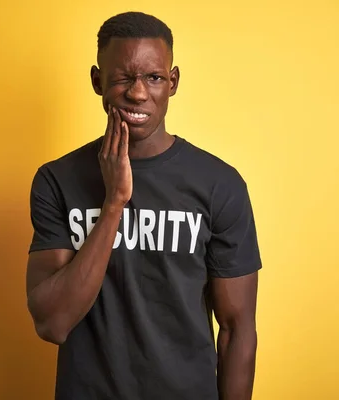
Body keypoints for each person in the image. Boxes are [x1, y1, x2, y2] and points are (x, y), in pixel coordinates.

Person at [25, 11, 262, 400]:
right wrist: (114, 202)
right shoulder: (57, 181)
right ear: (97, 81)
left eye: (153, 78)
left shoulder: (219, 184)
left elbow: (237, 329)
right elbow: (53, 323)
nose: (138, 93)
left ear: (173, 83)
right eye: (123, 78)